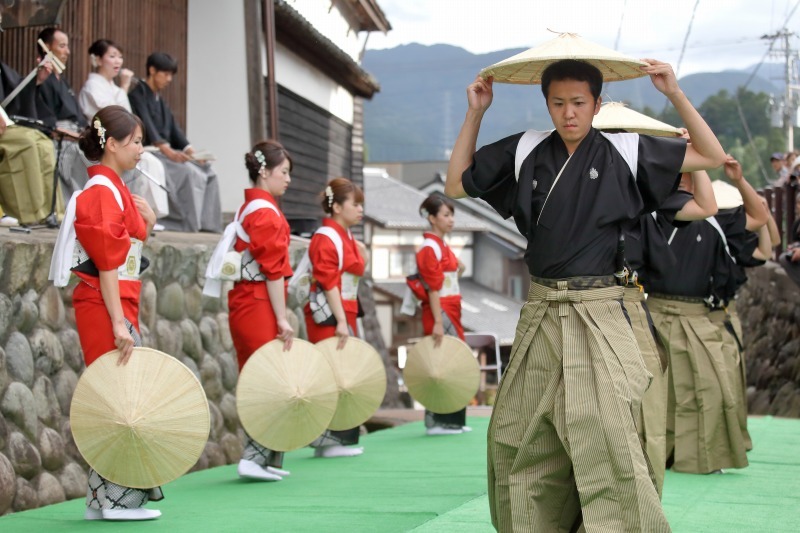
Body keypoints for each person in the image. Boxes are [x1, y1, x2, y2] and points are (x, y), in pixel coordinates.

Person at [445, 55, 727, 532]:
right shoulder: (525, 149)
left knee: (605, 435)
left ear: (597, 104)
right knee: (514, 437)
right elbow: (456, 183)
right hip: (541, 308)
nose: (568, 113)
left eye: (579, 102)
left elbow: (713, 158)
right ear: (546, 104)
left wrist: (673, 93)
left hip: (599, 308)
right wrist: (477, 112)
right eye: (558, 103)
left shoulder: (628, 150)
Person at [49, 105, 159, 520]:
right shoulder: (100, 194)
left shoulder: (111, 191)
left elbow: (125, 247)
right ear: (111, 144)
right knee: (119, 398)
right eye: (135, 142)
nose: (141, 150)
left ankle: (102, 498)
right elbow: (108, 263)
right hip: (103, 302)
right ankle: (116, 499)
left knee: (116, 393)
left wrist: (149, 218)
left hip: (115, 300)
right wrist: (117, 322)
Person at [647, 157, 767, 476]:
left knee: (708, 391)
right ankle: (657, 456)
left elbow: (759, 216)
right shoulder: (651, 212)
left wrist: (739, 180)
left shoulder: (717, 219)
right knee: (657, 395)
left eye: (689, 173)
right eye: (679, 172)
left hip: (699, 316)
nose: (683, 180)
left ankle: (700, 458)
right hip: (654, 312)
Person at [224, 140, 294, 481]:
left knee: (261, 377)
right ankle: (253, 457)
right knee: (262, 379)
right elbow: (273, 269)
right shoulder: (264, 212)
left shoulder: (251, 209)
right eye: (283, 172)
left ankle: (263, 456)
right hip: (257, 302)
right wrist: (282, 317)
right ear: (264, 172)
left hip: (248, 299)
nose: (288, 179)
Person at [305, 177, 368, 458]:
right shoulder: (326, 237)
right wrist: (341, 320)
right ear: (338, 207)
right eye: (355, 204)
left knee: (343, 374)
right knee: (330, 375)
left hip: (345, 308)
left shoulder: (345, 235)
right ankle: (327, 440)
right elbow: (328, 281)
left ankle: (339, 439)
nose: (360, 210)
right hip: (332, 312)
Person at [78, 39, 169, 223]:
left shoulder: (114, 88)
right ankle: (134, 215)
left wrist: (122, 87)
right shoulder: (92, 85)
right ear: (98, 59)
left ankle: (144, 214)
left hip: (119, 139)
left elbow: (127, 116)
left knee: (152, 162)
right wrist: (125, 87)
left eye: (120, 56)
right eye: (112, 56)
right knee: (143, 164)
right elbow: (112, 117)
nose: (118, 61)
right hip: (106, 140)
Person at [128, 52, 221, 233]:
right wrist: (168, 151)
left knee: (209, 172)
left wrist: (193, 153)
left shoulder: (159, 100)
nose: (169, 79)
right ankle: (187, 224)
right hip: (151, 151)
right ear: (152, 70)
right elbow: (147, 126)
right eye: (166, 74)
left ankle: (207, 224)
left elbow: (175, 131)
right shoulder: (137, 94)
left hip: (166, 152)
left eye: (171, 75)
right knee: (188, 173)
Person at [414, 194, 471, 436]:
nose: (451, 220)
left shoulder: (440, 246)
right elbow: (433, 287)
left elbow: (452, 274)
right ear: (432, 218)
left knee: (453, 360)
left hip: (450, 307)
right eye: (446, 215)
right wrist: (437, 321)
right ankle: (437, 420)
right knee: (442, 363)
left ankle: (453, 419)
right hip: (441, 309)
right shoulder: (430, 248)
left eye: (451, 215)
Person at [0, 58, 60, 226]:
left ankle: (50, 211)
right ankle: (28, 212)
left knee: (43, 142)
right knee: (26, 141)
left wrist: (36, 80)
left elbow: (12, 96)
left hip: (7, 124)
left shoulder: (3, 68)